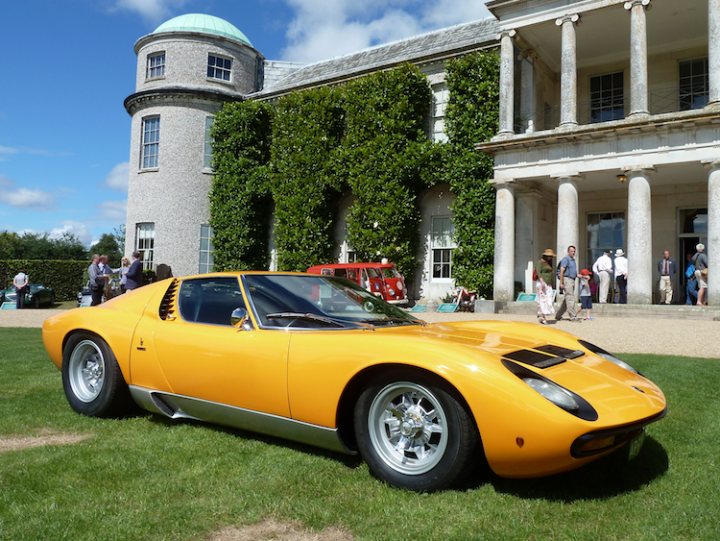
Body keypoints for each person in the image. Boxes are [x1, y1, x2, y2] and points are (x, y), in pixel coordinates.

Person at [555, 245, 579, 321]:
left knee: (567, 300)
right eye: (572, 251)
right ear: (568, 252)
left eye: (574, 251)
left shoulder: (573, 260)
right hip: (567, 280)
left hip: (572, 280)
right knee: (570, 298)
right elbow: (562, 271)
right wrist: (561, 283)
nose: (573, 252)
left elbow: (574, 273)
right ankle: (573, 316)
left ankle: (558, 315)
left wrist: (583, 276)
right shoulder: (566, 259)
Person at [535, 248, 555, 324]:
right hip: (542, 283)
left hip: (548, 283)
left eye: (551, 256)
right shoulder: (540, 262)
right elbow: (538, 272)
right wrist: (542, 281)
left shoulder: (548, 263)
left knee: (549, 299)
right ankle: (543, 318)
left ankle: (541, 314)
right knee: (542, 299)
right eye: (549, 256)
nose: (550, 257)